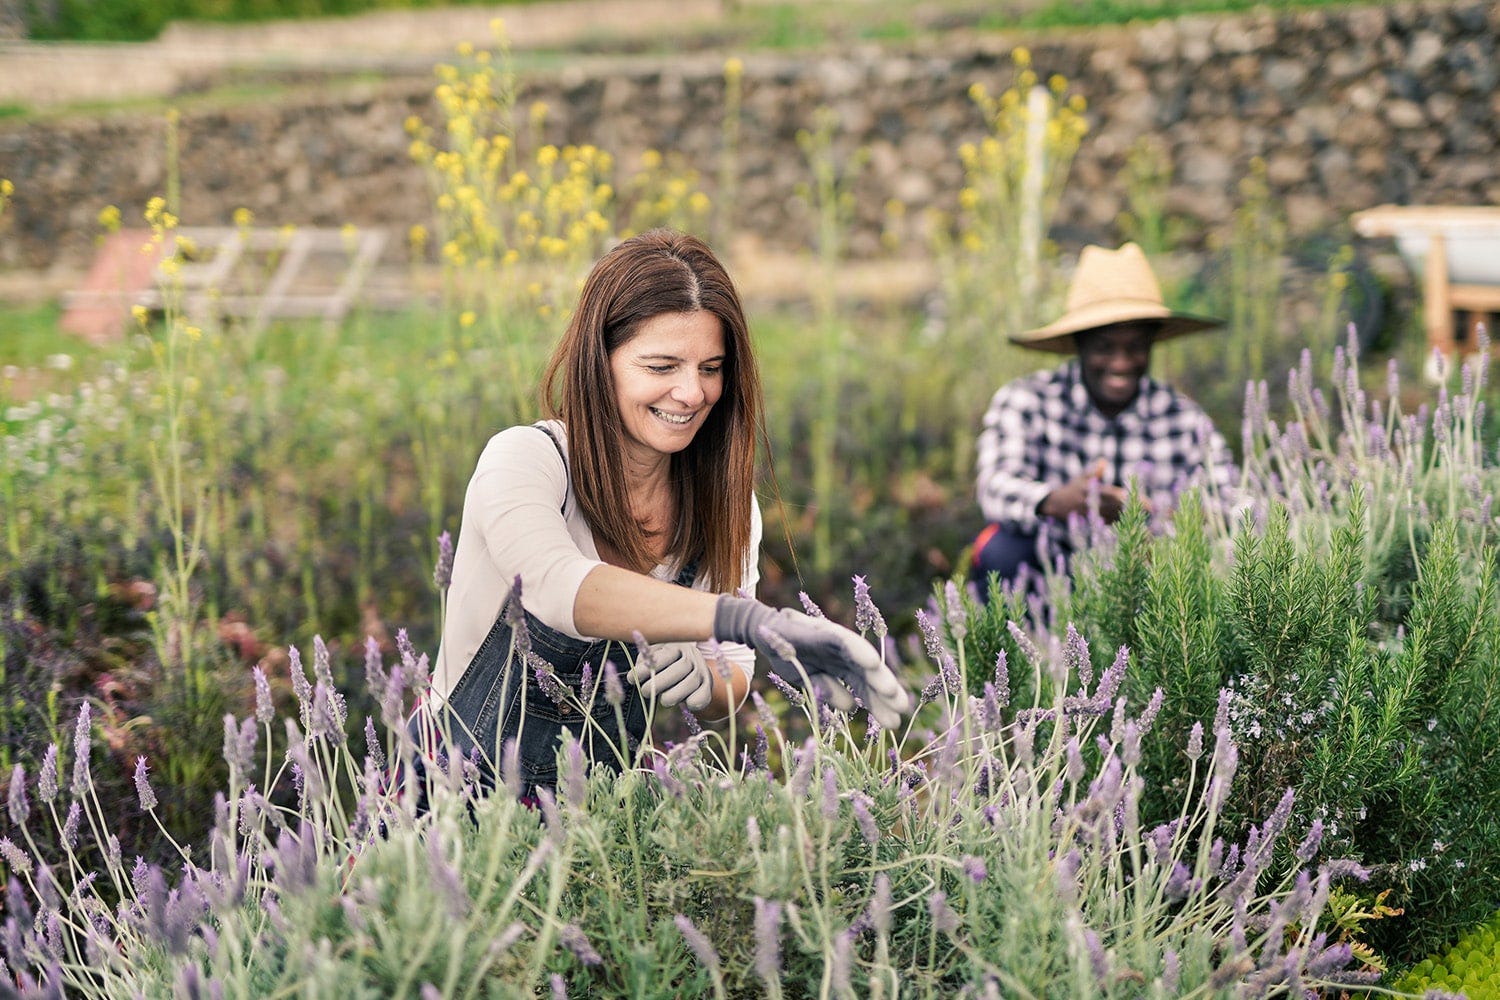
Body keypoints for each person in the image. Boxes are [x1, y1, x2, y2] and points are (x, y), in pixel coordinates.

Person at [416, 229, 911, 799]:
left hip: (600, 823)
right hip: (451, 806)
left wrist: (709, 684)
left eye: (711, 368)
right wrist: (744, 618)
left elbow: (732, 667)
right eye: (661, 366)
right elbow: (554, 586)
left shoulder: (720, 504)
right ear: (599, 362)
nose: (692, 393)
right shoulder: (528, 459)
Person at [970, 241, 1239, 593]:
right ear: (1078, 344)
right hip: (1052, 568)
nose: (1121, 362)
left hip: (1149, 578)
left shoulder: (1183, 419)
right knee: (1002, 551)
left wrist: (1164, 517)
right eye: (1104, 347)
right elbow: (994, 486)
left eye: (1135, 347)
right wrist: (1057, 501)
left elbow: (1233, 501)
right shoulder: (1028, 400)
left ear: (1152, 344)